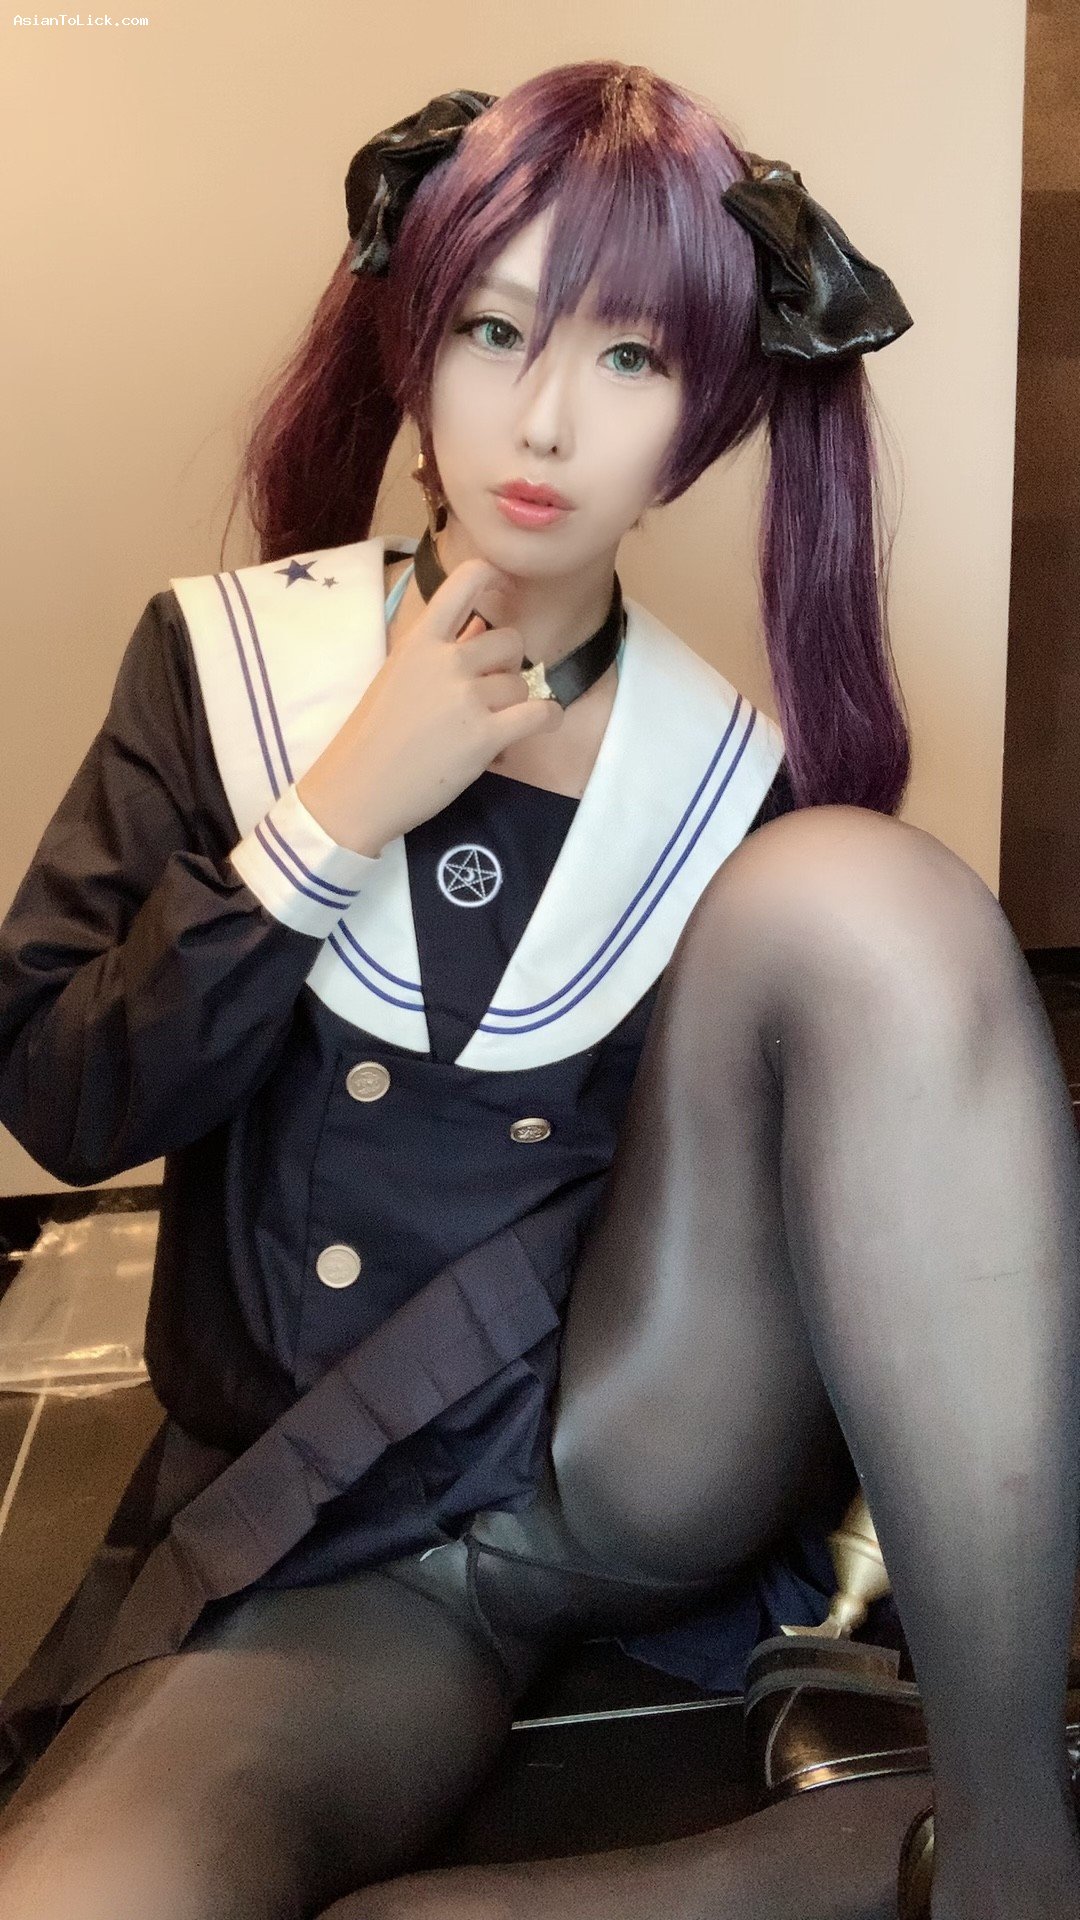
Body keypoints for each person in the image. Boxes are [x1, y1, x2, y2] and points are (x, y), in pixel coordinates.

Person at [0, 56, 1076, 1920]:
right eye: (495, 330)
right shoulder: (230, 666)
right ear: (414, 346)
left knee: (864, 896)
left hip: (626, 1453)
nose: (550, 418)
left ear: (702, 418)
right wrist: (335, 816)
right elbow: (60, 1101)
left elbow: (780, 1197)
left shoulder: (720, 775)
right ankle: (786, 1880)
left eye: (633, 357)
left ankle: (1007, 1843)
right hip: (356, 1542)